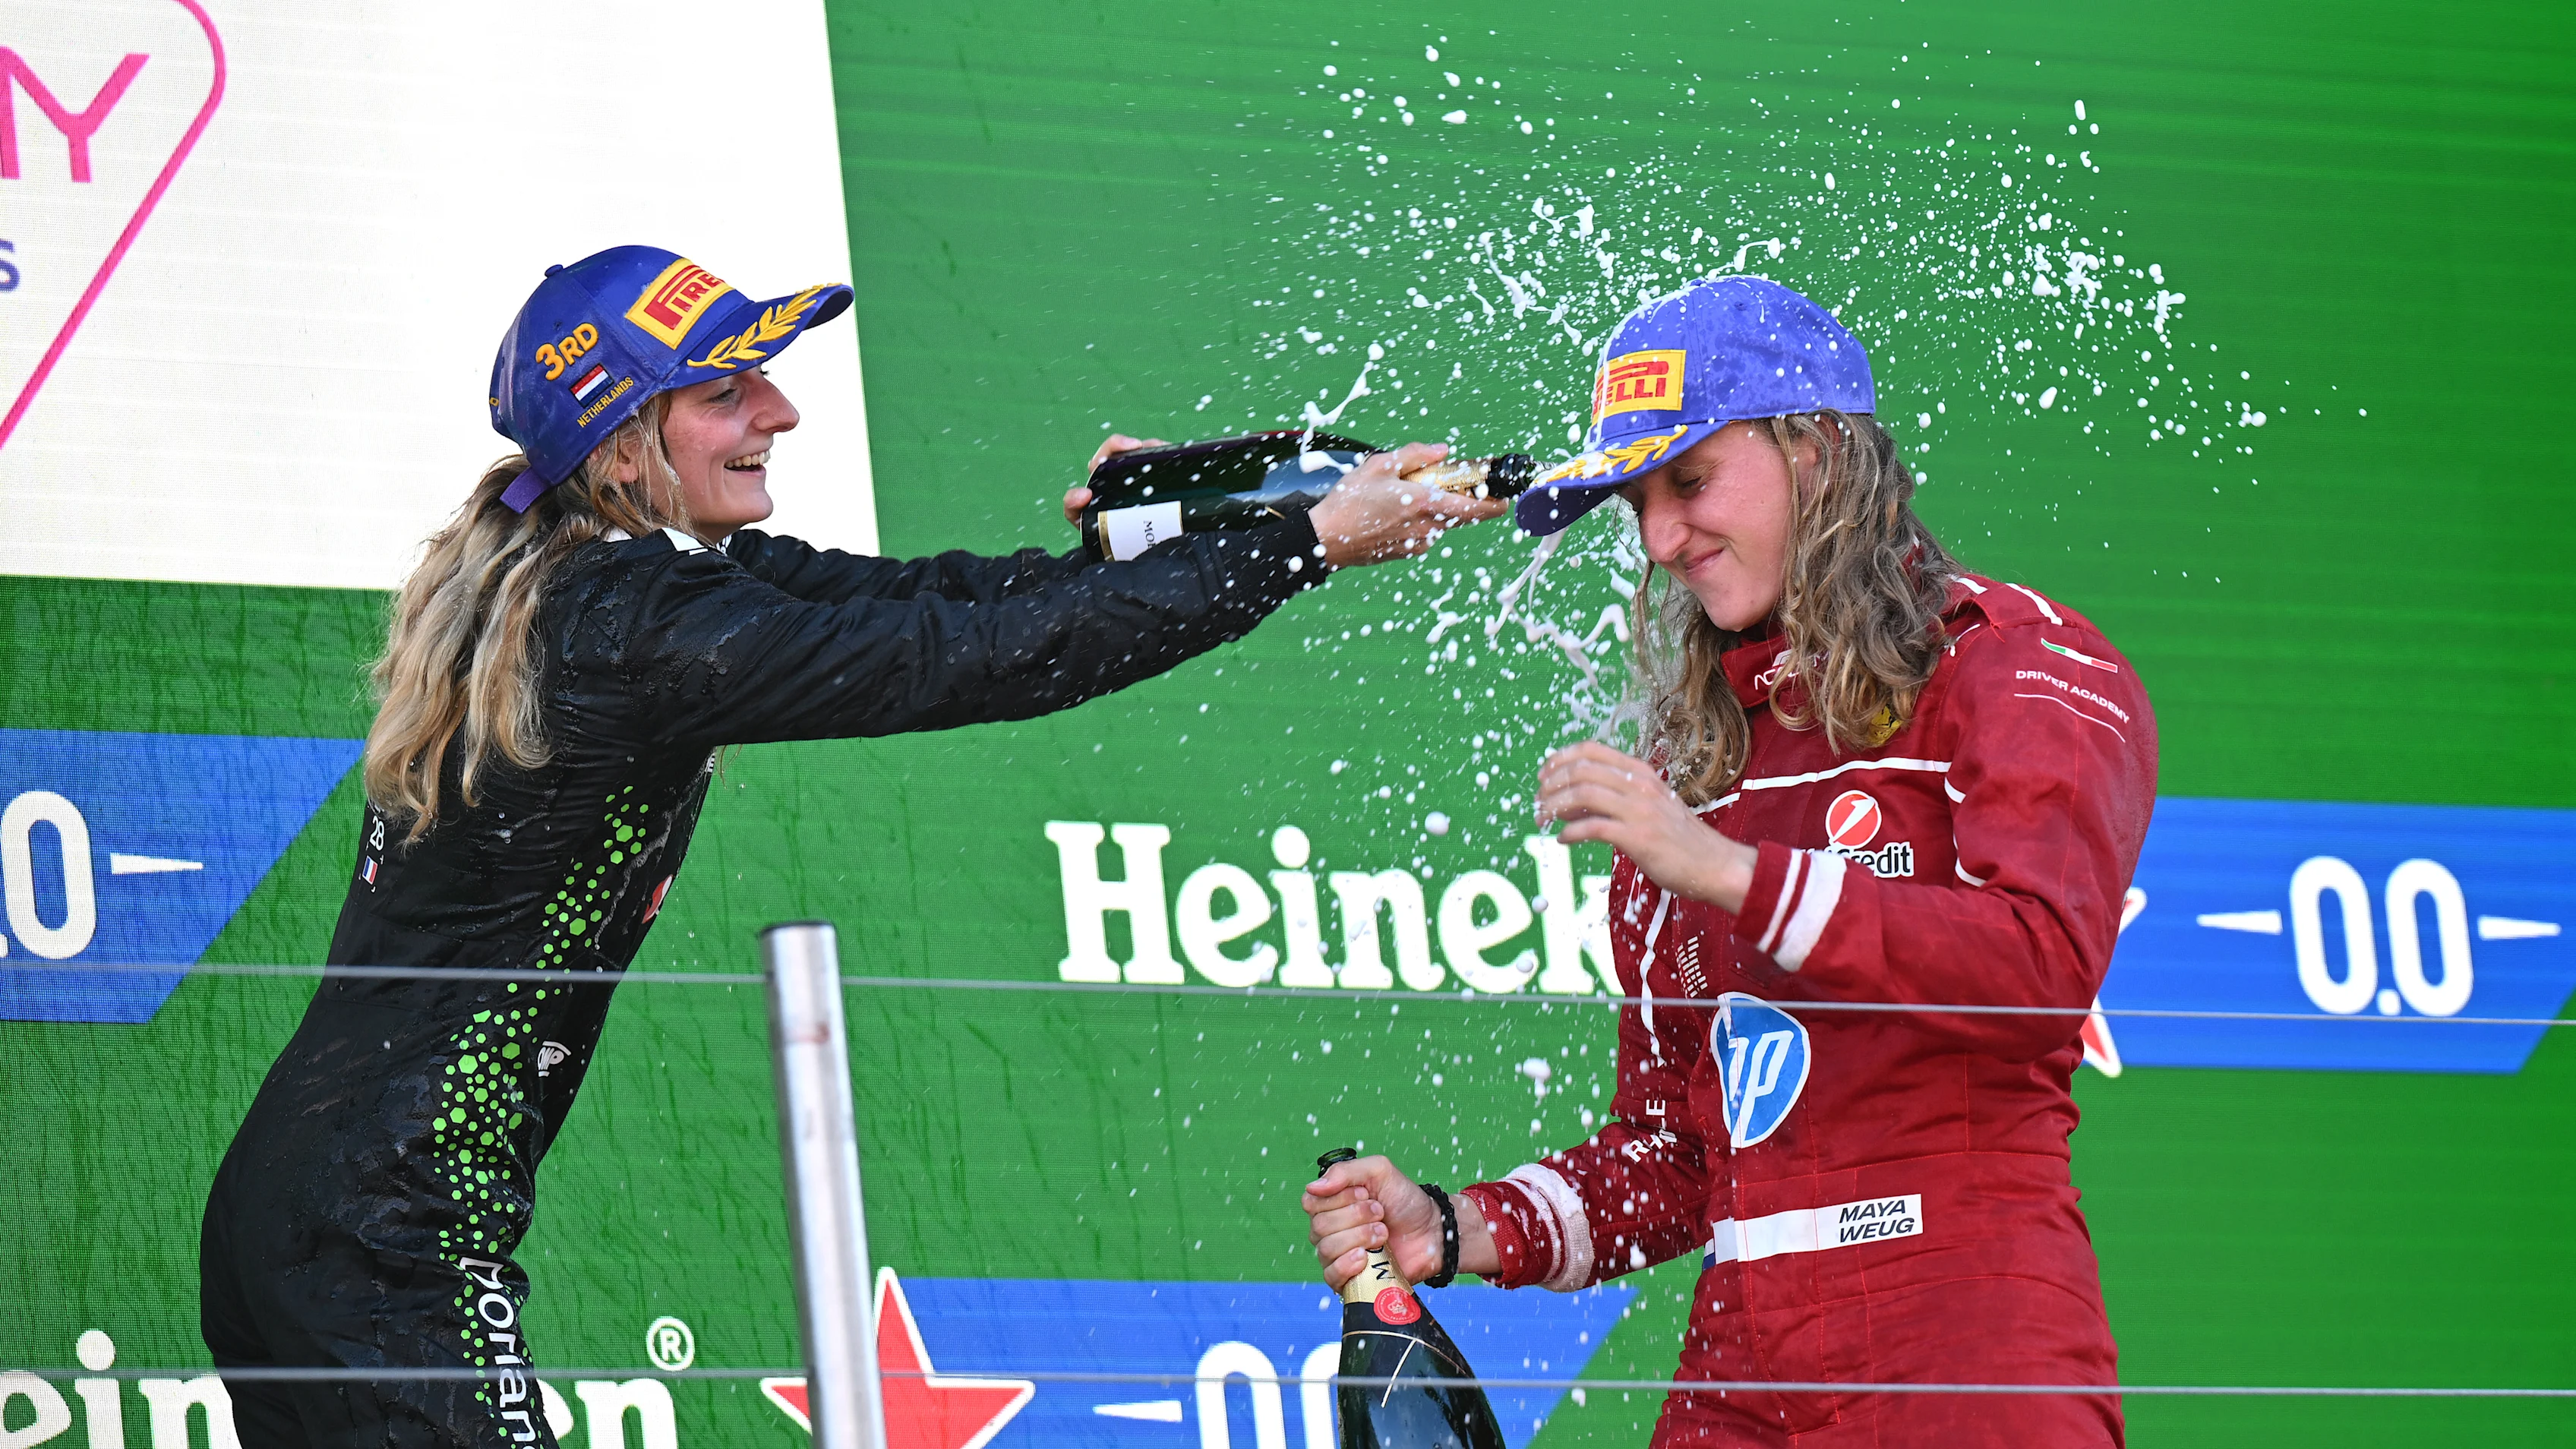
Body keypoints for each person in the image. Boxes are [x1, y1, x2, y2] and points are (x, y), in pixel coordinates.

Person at [201, 244, 1501, 1447]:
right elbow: (981, 660)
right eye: (726, 389)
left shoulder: (594, 578)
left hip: (327, 1219)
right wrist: (1310, 543)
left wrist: (1170, 525)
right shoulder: (637, 621)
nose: (778, 410)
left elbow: (955, 598)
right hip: (391, 1236)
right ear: (623, 438)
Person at [1302, 276, 2155, 1448]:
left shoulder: (2012, 668)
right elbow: (1679, 1157)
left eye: (1691, 482)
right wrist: (1449, 1231)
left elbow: (2035, 975)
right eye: (1638, 503)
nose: (1661, 538)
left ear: (1815, 450)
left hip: (1963, 1333)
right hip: (1740, 1362)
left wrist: (1728, 870)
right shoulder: (1699, 761)